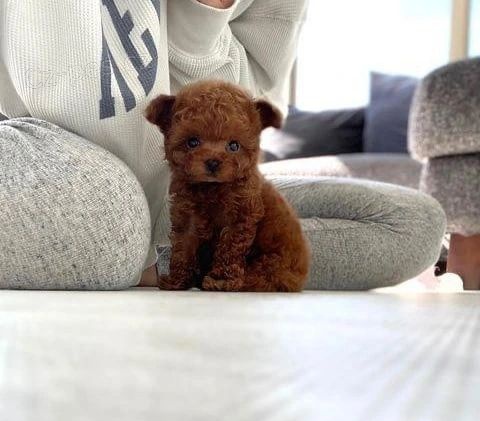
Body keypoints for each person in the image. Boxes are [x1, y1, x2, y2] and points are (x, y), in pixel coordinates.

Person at [0, 0, 446, 290]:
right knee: (111, 218)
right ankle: (135, 257)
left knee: (412, 222)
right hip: (50, 161)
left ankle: (155, 262)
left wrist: (204, 15)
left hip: (179, 194)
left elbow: (228, 110)